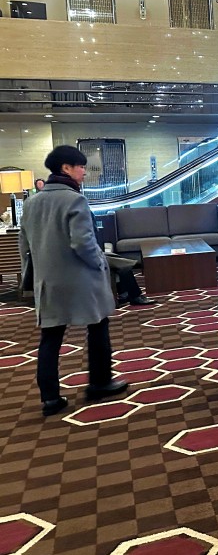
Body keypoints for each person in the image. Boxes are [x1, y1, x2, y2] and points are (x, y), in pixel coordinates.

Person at [19, 146, 129, 417]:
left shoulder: (32, 202)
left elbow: (25, 245)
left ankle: (50, 398)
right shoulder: (74, 199)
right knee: (98, 326)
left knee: (50, 338)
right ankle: (100, 383)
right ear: (65, 168)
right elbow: (82, 242)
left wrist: (34, 275)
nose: (84, 172)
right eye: (81, 167)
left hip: (48, 282)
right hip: (81, 279)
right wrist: (101, 263)